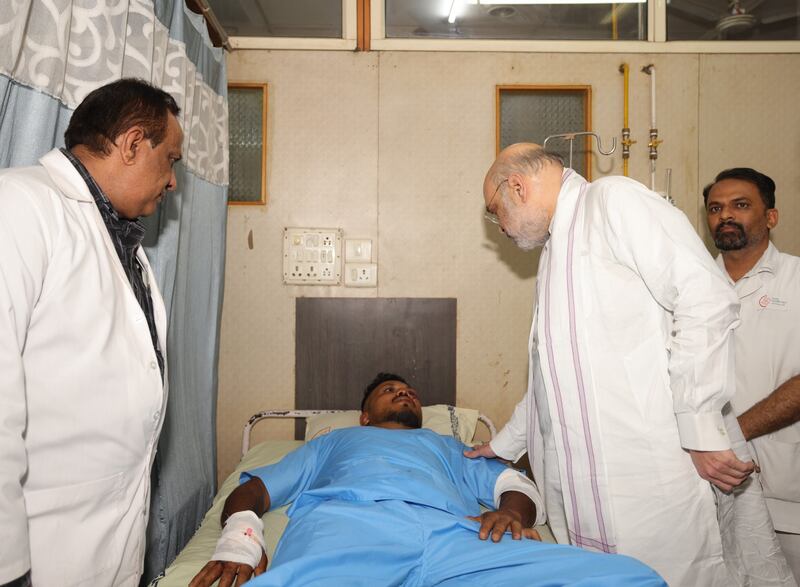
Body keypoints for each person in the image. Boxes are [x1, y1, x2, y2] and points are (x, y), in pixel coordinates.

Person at [467, 143, 793, 586]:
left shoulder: (612, 201)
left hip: (646, 476)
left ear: (517, 187)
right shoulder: (555, 251)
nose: (498, 225)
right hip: (584, 485)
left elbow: (706, 297)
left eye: (494, 211)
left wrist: (700, 426)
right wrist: (505, 442)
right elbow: (553, 377)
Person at [190, 373, 665, 587]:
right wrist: (241, 538)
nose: (404, 393)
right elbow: (253, 490)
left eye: (409, 392)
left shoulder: (451, 447)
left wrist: (510, 514)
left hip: (454, 538)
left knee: (631, 578)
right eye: (389, 391)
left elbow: (512, 486)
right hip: (349, 531)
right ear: (364, 415)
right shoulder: (331, 444)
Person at [0, 78, 183, 586]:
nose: (173, 183)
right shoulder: (17, 205)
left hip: (106, 542)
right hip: (37, 552)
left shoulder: (125, 247)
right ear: (130, 144)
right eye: (170, 159)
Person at [704, 167, 800, 581]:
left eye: (740, 205)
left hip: (785, 494)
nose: (726, 215)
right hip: (707, 489)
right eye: (715, 208)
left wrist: (728, 435)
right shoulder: (689, 287)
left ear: (771, 217)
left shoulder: (796, 281)